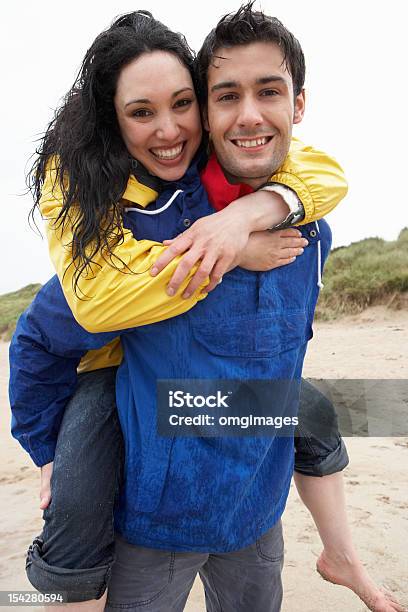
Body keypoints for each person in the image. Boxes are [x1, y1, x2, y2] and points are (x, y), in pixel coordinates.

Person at [9, 6, 402, 612]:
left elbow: (322, 172)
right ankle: (68, 592)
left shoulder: (301, 220)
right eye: (141, 112)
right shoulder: (125, 230)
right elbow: (62, 320)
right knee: (77, 491)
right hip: (139, 474)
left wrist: (249, 214)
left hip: (254, 506)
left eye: (181, 104)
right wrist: (45, 452)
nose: (168, 129)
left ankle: (341, 553)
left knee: (318, 409)